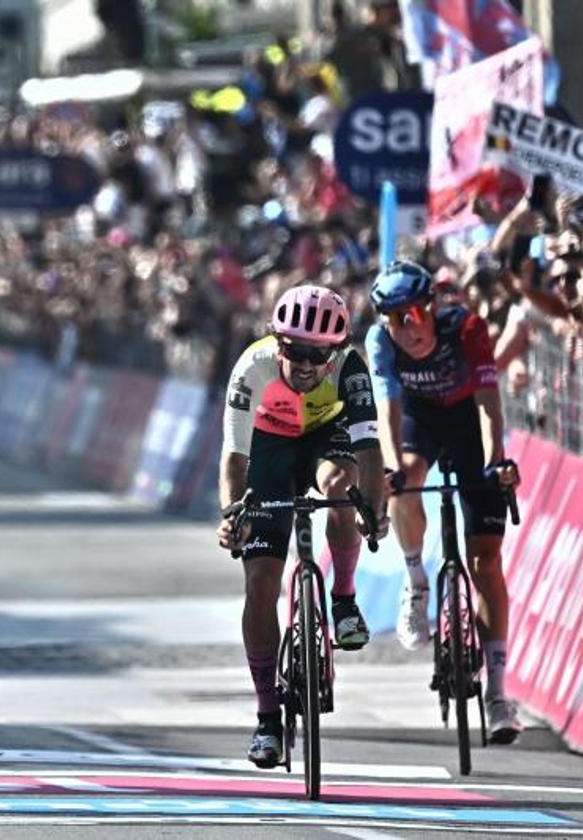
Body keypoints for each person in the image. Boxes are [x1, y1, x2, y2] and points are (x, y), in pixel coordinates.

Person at [217, 285, 388, 768]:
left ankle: (344, 599)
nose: (308, 364)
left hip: (324, 437)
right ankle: (268, 717)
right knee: (261, 581)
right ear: (278, 343)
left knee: (340, 483)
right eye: (296, 350)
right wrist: (232, 514)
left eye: (320, 353)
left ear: (335, 351)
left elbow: (369, 451)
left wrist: (372, 512)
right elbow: (234, 455)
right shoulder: (253, 368)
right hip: (268, 446)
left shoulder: (351, 369)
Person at [365, 260, 523, 744]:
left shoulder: (467, 328)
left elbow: (489, 405)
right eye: (395, 319)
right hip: (419, 421)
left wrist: (497, 460)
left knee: (486, 561)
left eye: (414, 313)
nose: (407, 328)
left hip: (468, 421)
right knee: (405, 478)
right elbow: (388, 410)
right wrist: (392, 469)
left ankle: (498, 694)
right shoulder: (380, 343)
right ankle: (416, 583)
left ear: (430, 307)